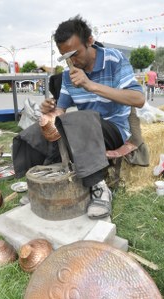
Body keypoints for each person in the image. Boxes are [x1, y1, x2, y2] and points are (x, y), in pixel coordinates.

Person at [40, 15, 145, 219]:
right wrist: (49, 114)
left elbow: (139, 99)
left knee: (80, 120)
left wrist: (90, 85)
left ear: (89, 41)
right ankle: (45, 182)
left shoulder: (114, 59)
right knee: (38, 130)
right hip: (84, 130)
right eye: (65, 56)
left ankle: (99, 189)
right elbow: (61, 110)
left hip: (114, 128)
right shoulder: (68, 74)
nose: (72, 61)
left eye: (75, 53)